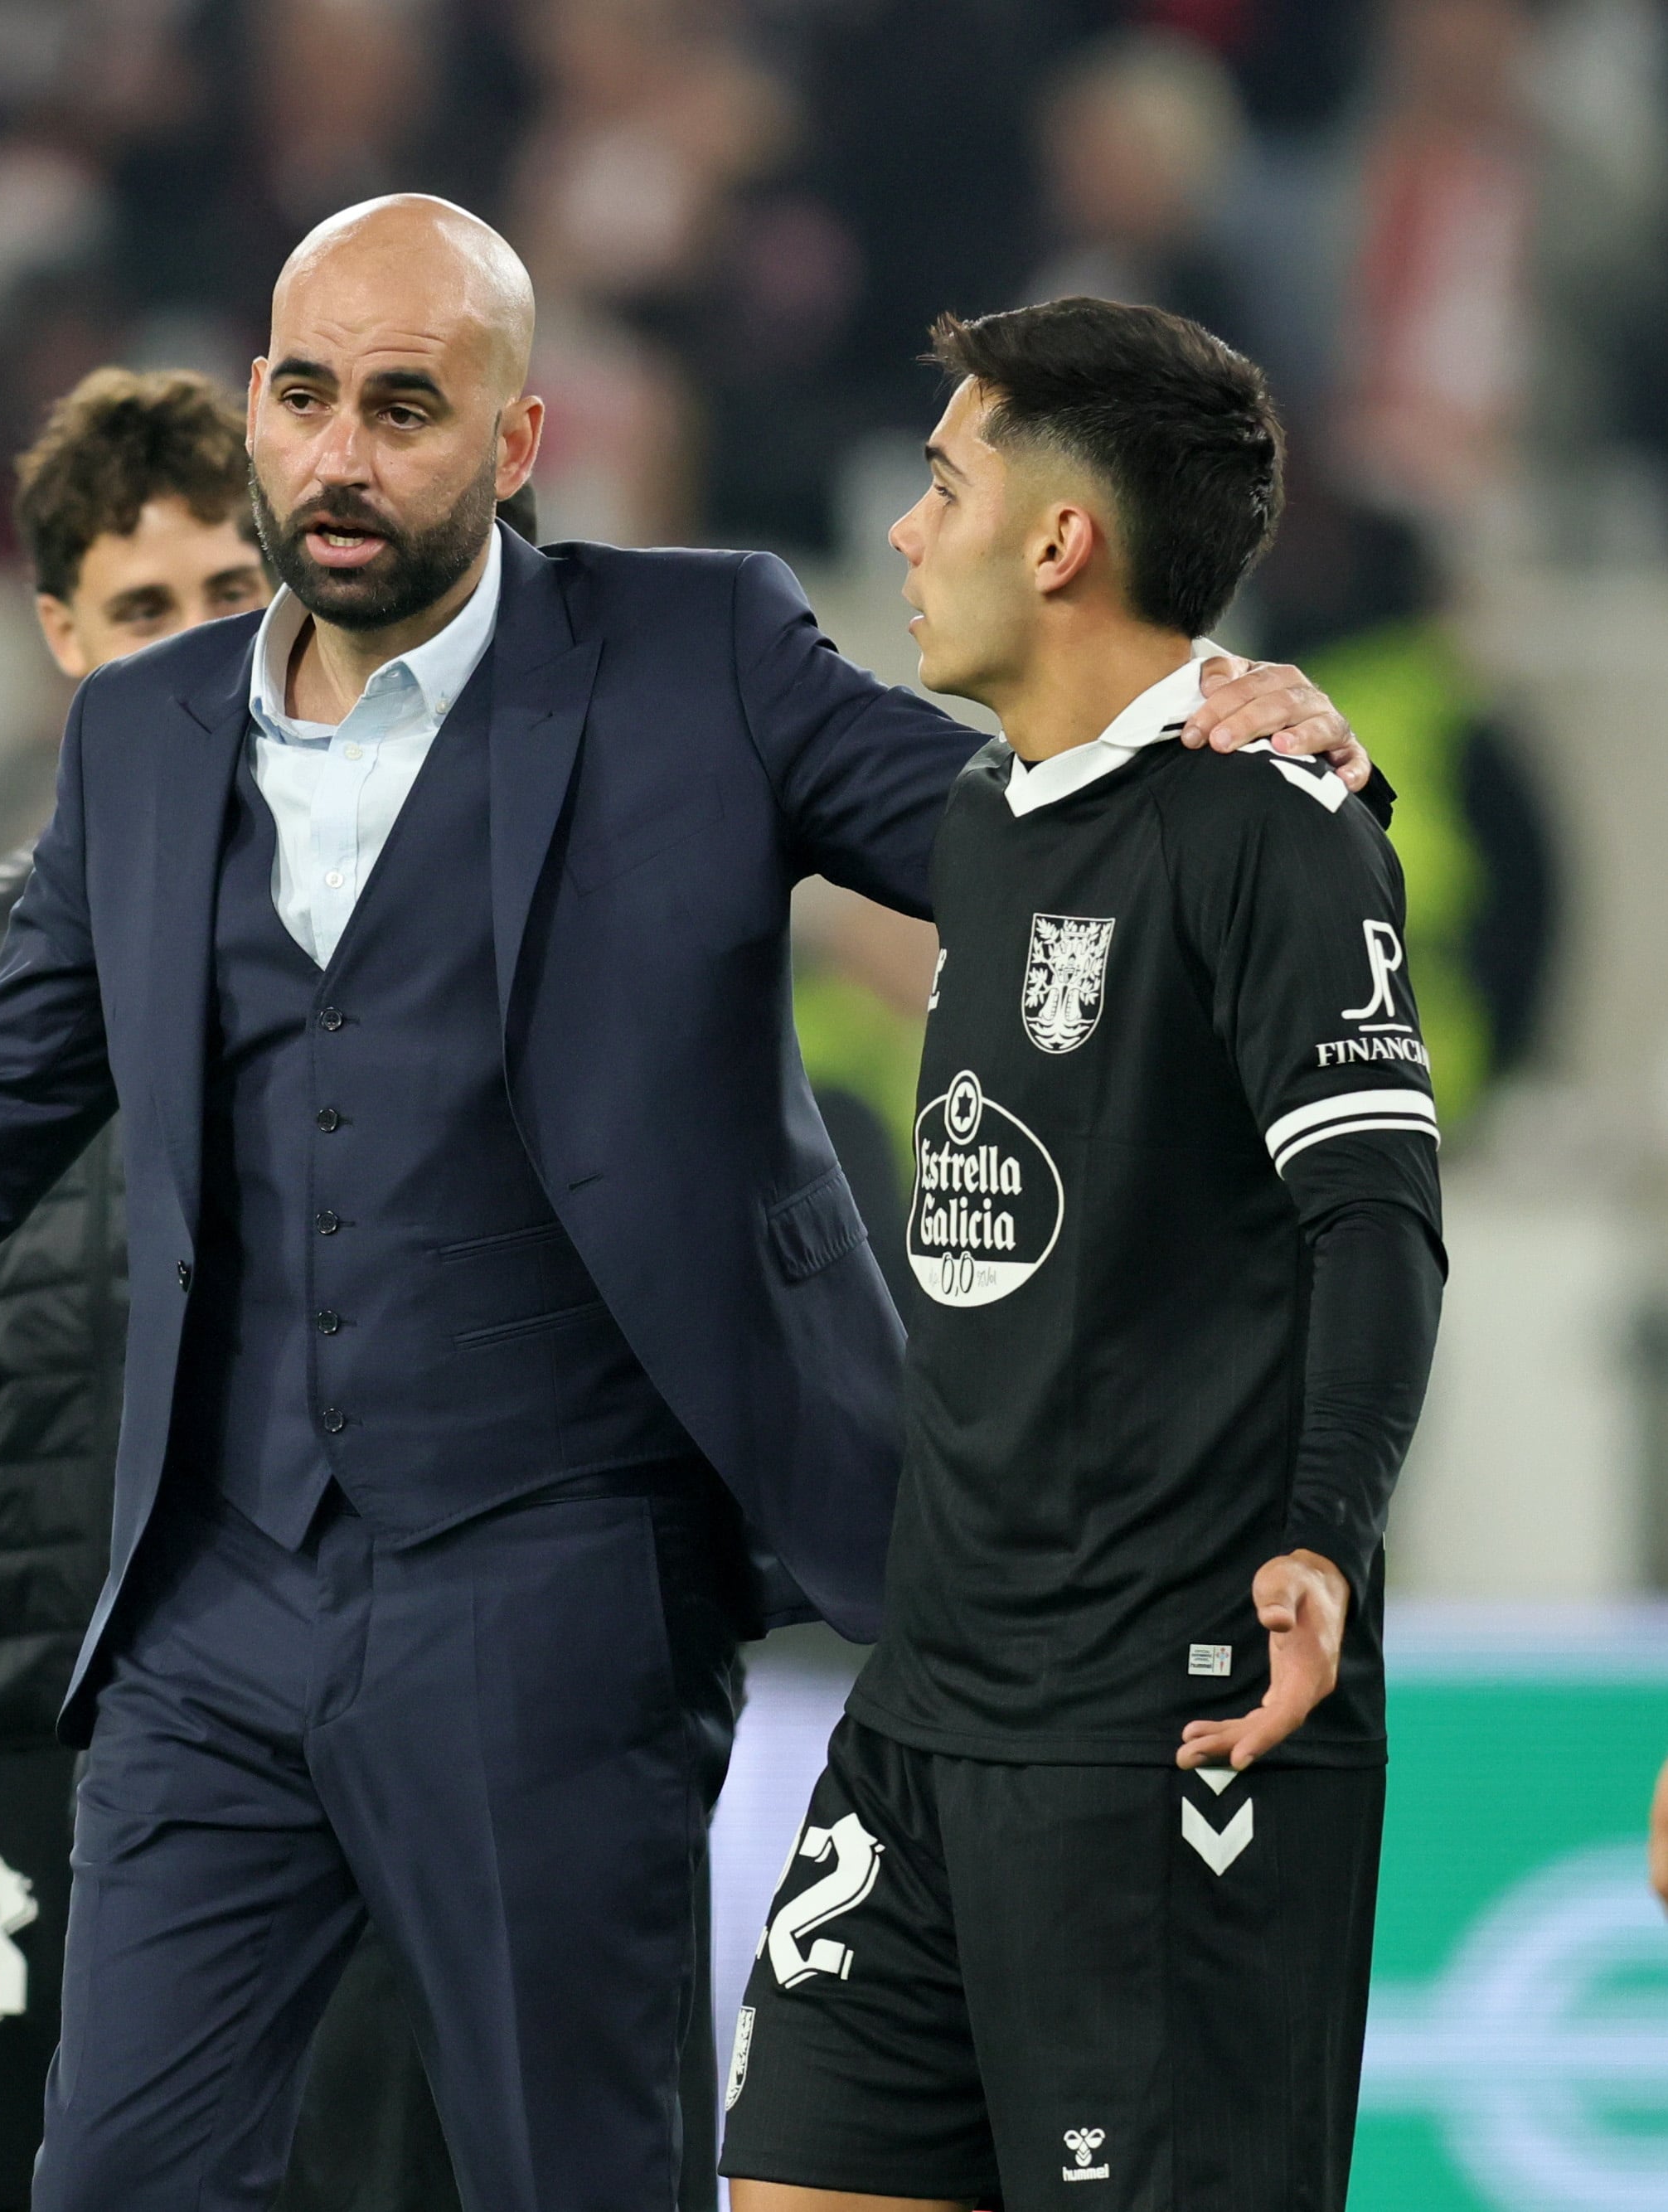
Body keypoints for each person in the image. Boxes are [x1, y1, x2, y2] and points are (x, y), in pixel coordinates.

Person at [0, 197, 1370, 2212]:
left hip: (561, 1586)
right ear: (255, 402)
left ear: (517, 443)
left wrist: (1215, 740)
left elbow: (1032, 850)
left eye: (407, 408)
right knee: (115, 2185)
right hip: (210, 1607)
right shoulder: (139, 739)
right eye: (310, 395)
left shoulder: (706, 654)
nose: (342, 455)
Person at [719, 298, 1443, 2211]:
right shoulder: (983, 815)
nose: (903, 531)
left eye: (943, 483)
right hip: (934, 1709)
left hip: (1166, 1726)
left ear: (1059, 542)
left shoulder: (1276, 828)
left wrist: (1322, 1537)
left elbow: (1378, 1217)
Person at [0, 364, 467, 2212]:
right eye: (139, 609)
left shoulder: (442, 900)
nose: (187, 642)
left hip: (362, 1724)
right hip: (65, 1713)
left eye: (224, 598)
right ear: (61, 637)